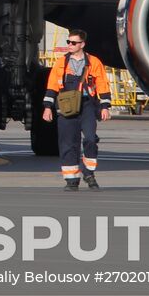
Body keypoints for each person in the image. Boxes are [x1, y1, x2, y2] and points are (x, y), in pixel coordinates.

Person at [41, 29, 111, 190]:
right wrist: (47, 108)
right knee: (68, 144)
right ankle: (71, 180)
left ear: (82, 44)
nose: (70, 45)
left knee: (90, 139)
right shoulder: (61, 63)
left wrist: (105, 106)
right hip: (67, 107)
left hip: (87, 105)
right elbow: (52, 86)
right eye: (68, 42)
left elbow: (102, 84)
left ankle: (88, 172)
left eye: (73, 43)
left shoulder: (94, 62)